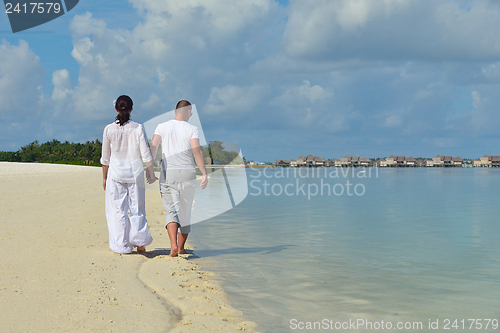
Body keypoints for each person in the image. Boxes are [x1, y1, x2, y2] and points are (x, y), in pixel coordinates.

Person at [149, 100, 208, 257]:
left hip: (169, 173)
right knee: (185, 211)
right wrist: (204, 173)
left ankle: (173, 245)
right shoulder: (192, 129)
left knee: (171, 209)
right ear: (189, 112)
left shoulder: (162, 126)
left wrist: (149, 168)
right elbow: (196, 151)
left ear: (175, 111)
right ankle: (182, 248)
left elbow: (153, 146)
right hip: (188, 172)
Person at [101, 95, 158, 254]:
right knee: (137, 209)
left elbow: (105, 159)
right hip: (135, 174)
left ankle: (122, 246)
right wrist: (151, 174)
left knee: (117, 210)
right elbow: (146, 155)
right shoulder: (138, 127)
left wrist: (104, 178)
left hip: (116, 175)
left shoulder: (108, 129)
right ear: (131, 109)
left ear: (116, 109)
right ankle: (140, 243)